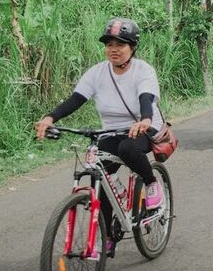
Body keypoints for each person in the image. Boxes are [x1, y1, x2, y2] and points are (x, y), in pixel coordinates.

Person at [34, 17, 164, 257]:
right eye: (109, 44)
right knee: (98, 174)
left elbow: (146, 97)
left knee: (127, 149)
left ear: (132, 47)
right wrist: (50, 117)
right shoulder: (97, 72)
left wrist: (145, 119)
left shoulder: (143, 70)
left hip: (144, 127)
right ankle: (106, 238)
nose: (113, 49)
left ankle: (151, 182)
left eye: (120, 44)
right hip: (111, 130)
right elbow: (76, 99)